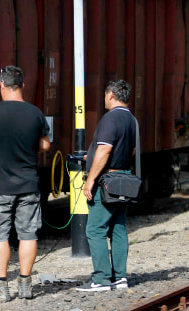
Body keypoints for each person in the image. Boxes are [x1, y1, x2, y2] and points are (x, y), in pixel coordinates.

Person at [0, 66, 50, 302]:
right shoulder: (35, 113)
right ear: (22, 85)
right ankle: (26, 286)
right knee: (28, 234)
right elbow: (45, 146)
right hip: (28, 184)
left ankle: (1, 288)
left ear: (1, 85)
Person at [76, 79, 137, 292]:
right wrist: (91, 155)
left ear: (111, 94)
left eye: (104, 95)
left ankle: (101, 279)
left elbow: (104, 150)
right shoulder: (132, 120)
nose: (104, 99)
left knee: (95, 229)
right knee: (119, 229)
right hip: (124, 179)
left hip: (107, 182)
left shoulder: (110, 119)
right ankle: (120, 277)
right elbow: (131, 151)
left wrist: (91, 180)